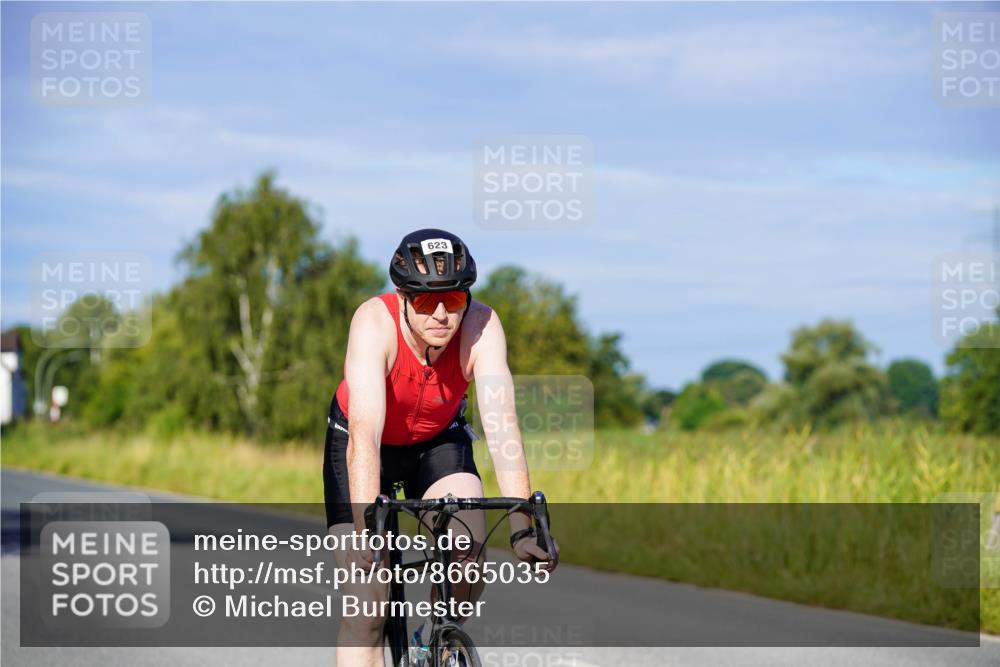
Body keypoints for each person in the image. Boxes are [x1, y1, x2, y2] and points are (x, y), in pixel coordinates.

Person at [324, 228, 559, 667]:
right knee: (367, 604)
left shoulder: (482, 327)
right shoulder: (373, 324)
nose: (440, 314)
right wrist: (364, 531)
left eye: (451, 300)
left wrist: (523, 528)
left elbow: (503, 426)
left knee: (467, 555)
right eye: (425, 301)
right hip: (362, 446)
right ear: (402, 298)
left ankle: (433, 643)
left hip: (437, 442)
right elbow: (364, 433)